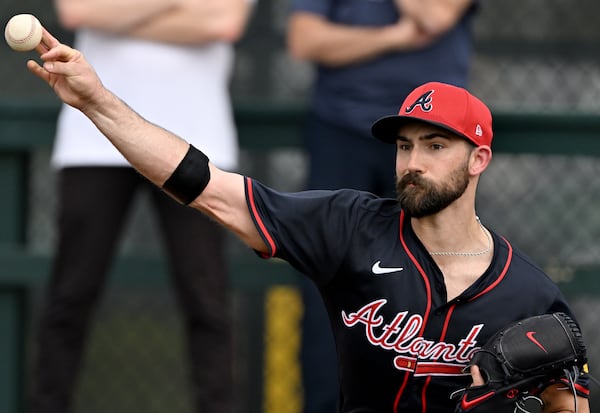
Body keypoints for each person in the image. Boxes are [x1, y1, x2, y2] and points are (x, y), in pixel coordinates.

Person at [27, 31, 591, 412]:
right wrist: (96, 100)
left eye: (436, 145)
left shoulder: (530, 295)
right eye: (404, 145)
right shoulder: (348, 227)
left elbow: (571, 404)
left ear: (478, 159)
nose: (413, 163)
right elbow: (207, 187)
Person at [28, 1, 254, 413]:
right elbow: (78, 13)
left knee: (207, 301)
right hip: (92, 139)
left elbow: (224, 20)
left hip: (194, 139)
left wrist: (121, 13)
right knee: (69, 298)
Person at [286, 1, 478, 410]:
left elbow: (435, 15)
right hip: (340, 130)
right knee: (327, 280)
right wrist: (396, 36)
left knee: (440, 273)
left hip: (435, 138)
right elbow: (305, 40)